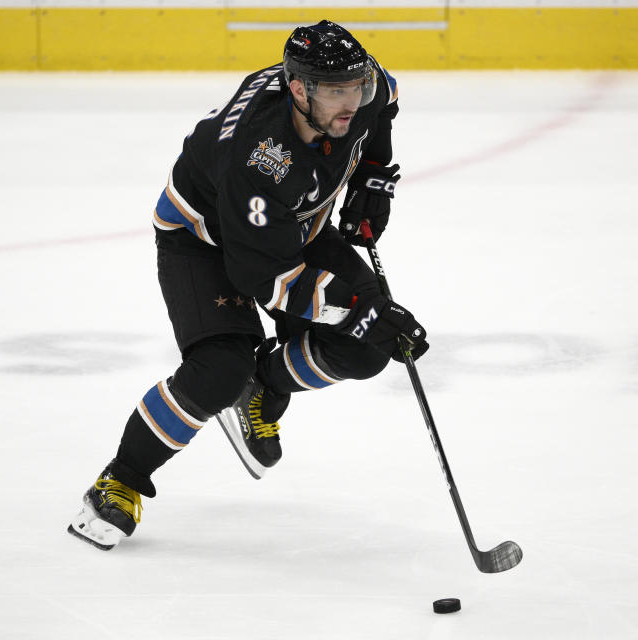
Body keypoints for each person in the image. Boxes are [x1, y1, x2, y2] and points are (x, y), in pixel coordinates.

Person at [67, 20, 428, 551]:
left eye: (356, 87)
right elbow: (271, 280)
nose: (352, 101)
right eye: (336, 92)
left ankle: (264, 384)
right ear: (299, 89)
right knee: (219, 368)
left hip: (289, 225)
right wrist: (362, 309)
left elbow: (385, 103)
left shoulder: (361, 88)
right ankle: (117, 482)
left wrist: (373, 176)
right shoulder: (260, 158)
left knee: (365, 350)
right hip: (205, 241)